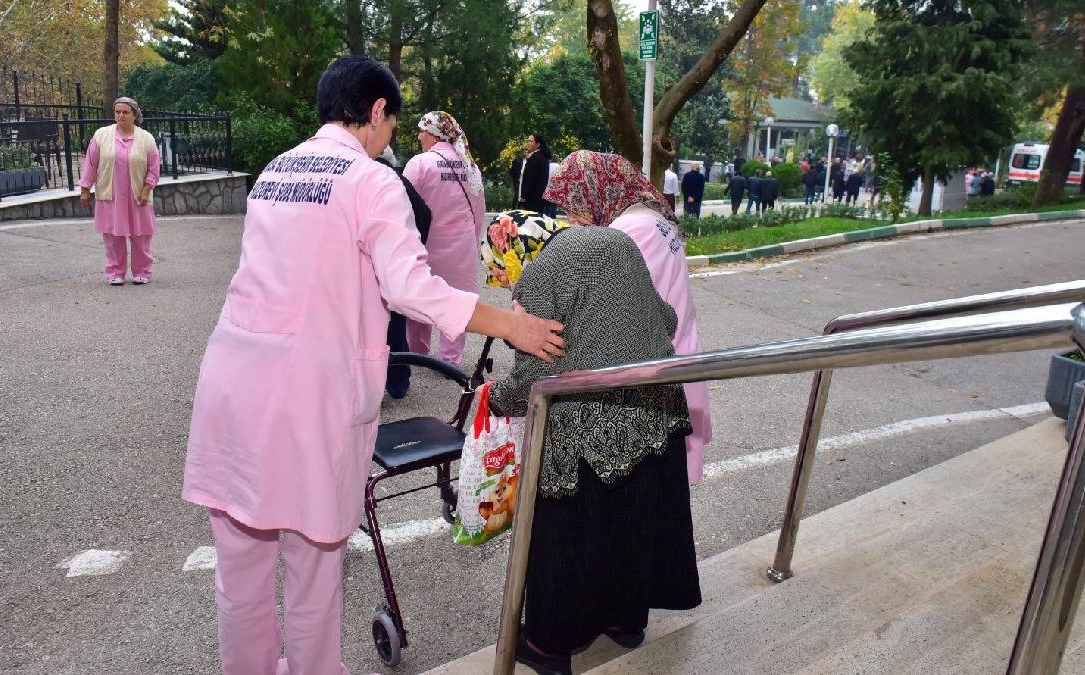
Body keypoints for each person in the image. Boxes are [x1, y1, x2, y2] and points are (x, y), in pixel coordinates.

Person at [182, 56, 566, 675]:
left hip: (234, 383)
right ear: (377, 110)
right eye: (393, 124)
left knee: (241, 570)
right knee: (312, 567)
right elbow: (413, 288)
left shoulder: (275, 170)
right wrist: (512, 324)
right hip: (309, 395)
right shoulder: (370, 180)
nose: (393, 138)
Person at [480, 217, 701, 675]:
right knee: (628, 521)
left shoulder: (541, 274)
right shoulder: (615, 242)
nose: (509, 284)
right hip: (653, 407)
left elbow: (530, 377)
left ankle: (548, 646)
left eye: (503, 271)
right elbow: (667, 318)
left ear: (516, 249)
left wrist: (496, 398)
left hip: (586, 422)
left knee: (566, 535)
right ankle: (623, 621)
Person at [543, 149, 713, 486]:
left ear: (599, 190)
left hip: (650, 385)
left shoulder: (627, 229)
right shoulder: (651, 218)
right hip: (673, 365)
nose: (571, 219)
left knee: (643, 500)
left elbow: (599, 306)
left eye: (575, 205)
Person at [402, 110, 487, 367]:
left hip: (425, 242)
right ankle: (450, 358)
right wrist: (471, 241)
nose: (419, 136)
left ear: (433, 134)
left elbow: (403, 204)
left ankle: (418, 352)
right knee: (457, 300)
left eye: (422, 131)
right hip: (461, 245)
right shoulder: (471, 167)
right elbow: (479, 209)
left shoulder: (420, 164)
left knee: (419, 296)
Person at [78, 96, 160, 286]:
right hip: (110, 194)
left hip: (138, 195)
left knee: (140, 236)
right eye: (117, 112)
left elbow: (154, 168)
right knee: (112, 236)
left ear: (134, 115)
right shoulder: (101, 135)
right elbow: (91, 164)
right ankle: (115, 272)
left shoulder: (146, 139)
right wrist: (85, 189)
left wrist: (147, 189)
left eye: (125, 112)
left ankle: (142, 271)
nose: (121, 115)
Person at [376, 146, 430, 399]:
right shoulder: (399, 178)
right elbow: (425, 214)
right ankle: (398, 383)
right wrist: (415, 246)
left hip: (374, 265)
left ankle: (378, 386)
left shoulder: (377, 176)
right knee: (395, 324)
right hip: (393, 265)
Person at [518, 133, 552, 213]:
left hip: (532, 197)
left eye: (531, 141)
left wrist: (524, 195)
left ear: (538, 144)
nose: (528, 143)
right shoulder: (542, 157)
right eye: (528, 141)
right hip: (539, 196)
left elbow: (530, 178)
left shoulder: (535, 158)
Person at [545, 153, 562, 218]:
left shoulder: (548, 165)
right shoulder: (559, 166)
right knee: (554, 202)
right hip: (555, 186)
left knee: (547, 201)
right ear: (557, 159)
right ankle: (553, 216)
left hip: (547, 185)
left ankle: (546, 215)